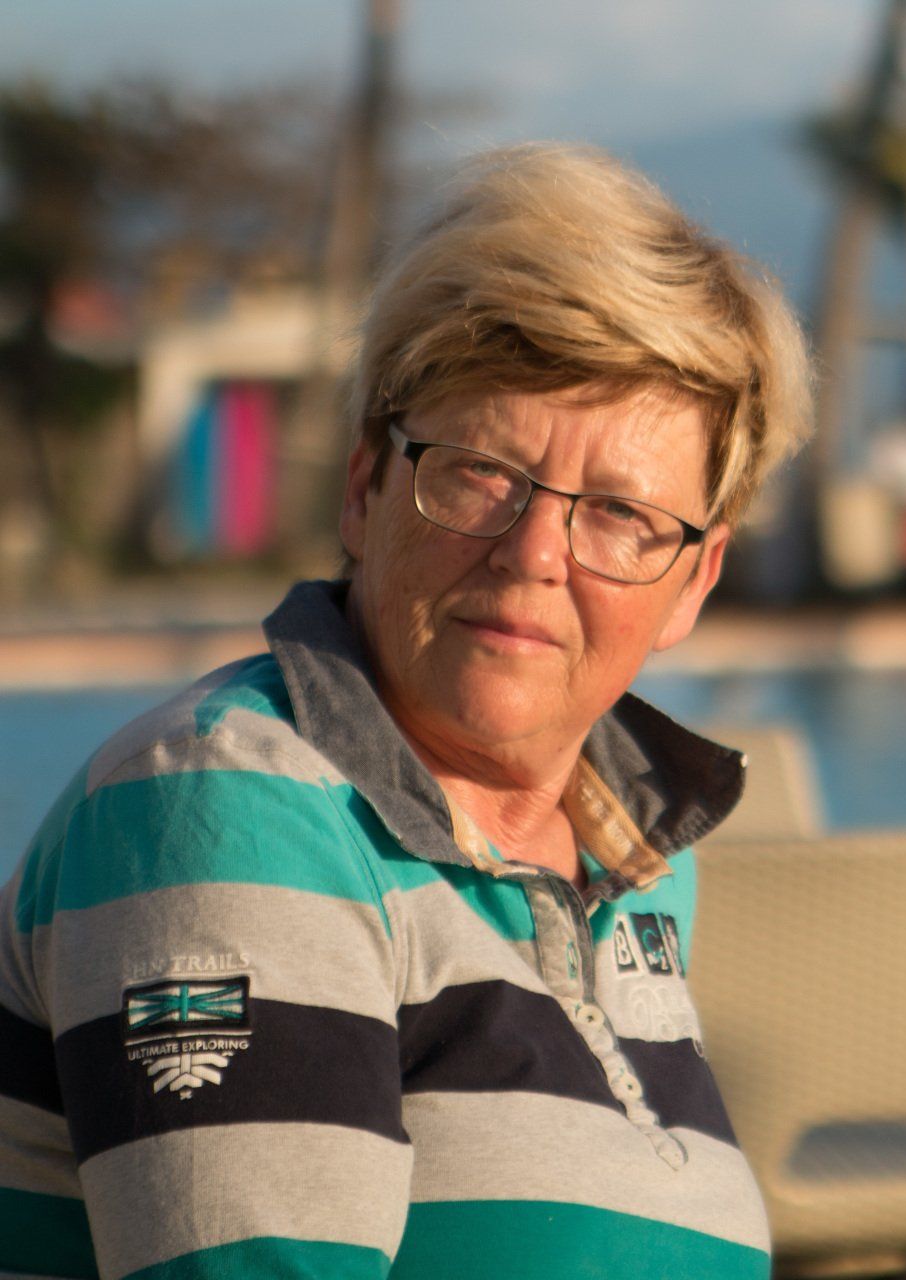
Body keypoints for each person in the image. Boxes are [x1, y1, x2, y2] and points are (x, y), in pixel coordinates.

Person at [0, 143, 811, 1279]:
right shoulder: (231, 807)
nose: (534, 553)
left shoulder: (637, 856)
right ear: (364, 487)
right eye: (481, 471)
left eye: (620, 514)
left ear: (693, 582)